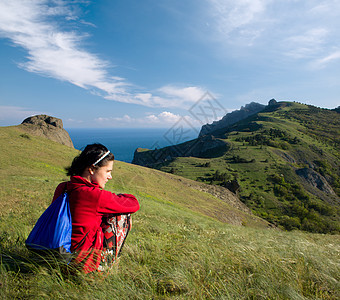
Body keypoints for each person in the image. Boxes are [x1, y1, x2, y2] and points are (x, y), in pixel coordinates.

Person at [52, 143, 140, 273]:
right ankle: (102, 269)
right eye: (108, 171)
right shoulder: (94, 196)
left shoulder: (63, 187)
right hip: (81, 263)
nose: (110, 176)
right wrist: (118, 196)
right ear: (92, 169)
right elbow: (134, 204)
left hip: (57, 255)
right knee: (122, 216)